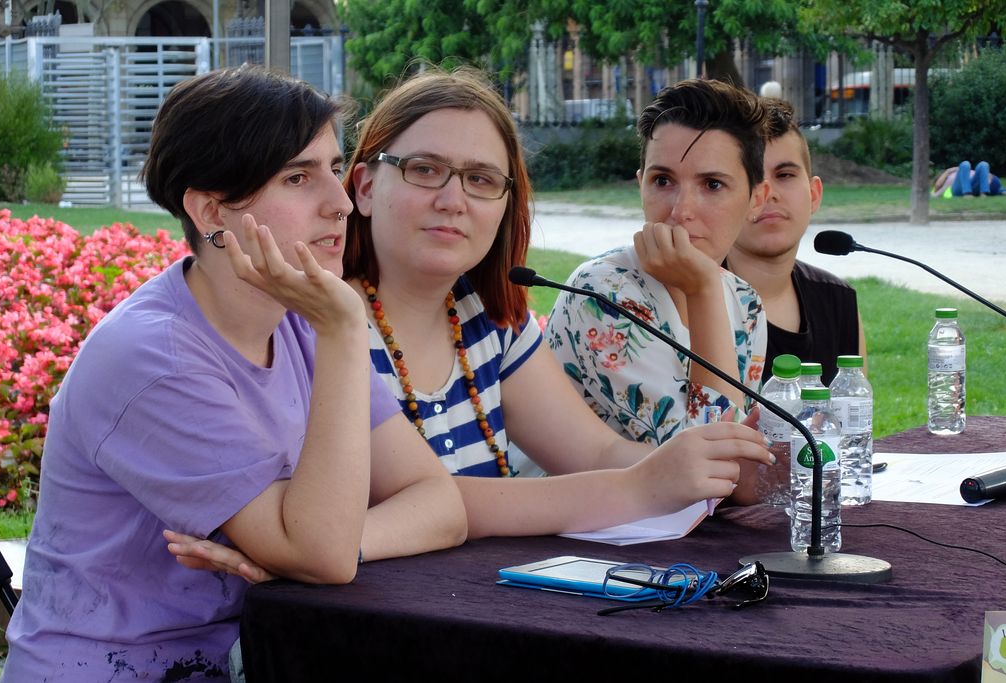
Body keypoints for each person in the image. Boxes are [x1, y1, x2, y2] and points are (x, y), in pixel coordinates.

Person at [166, 68, 774, 584]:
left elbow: (592, 453)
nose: (454, 200)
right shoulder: (320, 324)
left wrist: (693, 466)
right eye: (426, 169)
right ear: (366, 187)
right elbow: (408, 503)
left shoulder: (488, 321)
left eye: (482, 180)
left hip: (485, 603)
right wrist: (644, 485)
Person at [1, 65, 468, 682]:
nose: (341, 202)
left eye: (334, 168)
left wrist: (325, 547)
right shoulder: (155, 358)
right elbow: (321, 554)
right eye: (298, 177)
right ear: (211, 210)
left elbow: (438, 503)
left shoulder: (296, 325)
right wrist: (346, 329)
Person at [544, 79, 768, 445]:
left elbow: (739, 457)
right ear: (640, 185)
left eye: (712, 184)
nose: (681, 211)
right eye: (662, 180)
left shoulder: (745, 302)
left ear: (757, 199)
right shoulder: (603, 292)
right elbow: (701, 464)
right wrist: (703, 288)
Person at [724, 97, 866, 385]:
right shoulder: (694, 298)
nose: (769, 193)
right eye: (751, 178)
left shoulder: (838, 300)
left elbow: (855, 420)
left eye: (785, 175)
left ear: (814, 194)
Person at [931, 160, 1005, 197]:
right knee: (965, 164)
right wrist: (947, 171)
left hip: (984, 184)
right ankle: (967, 193)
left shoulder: (964, 171)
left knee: (983, 164)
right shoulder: (947, 179)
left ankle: (983, 194)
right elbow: (937, 187)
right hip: (960, 189)